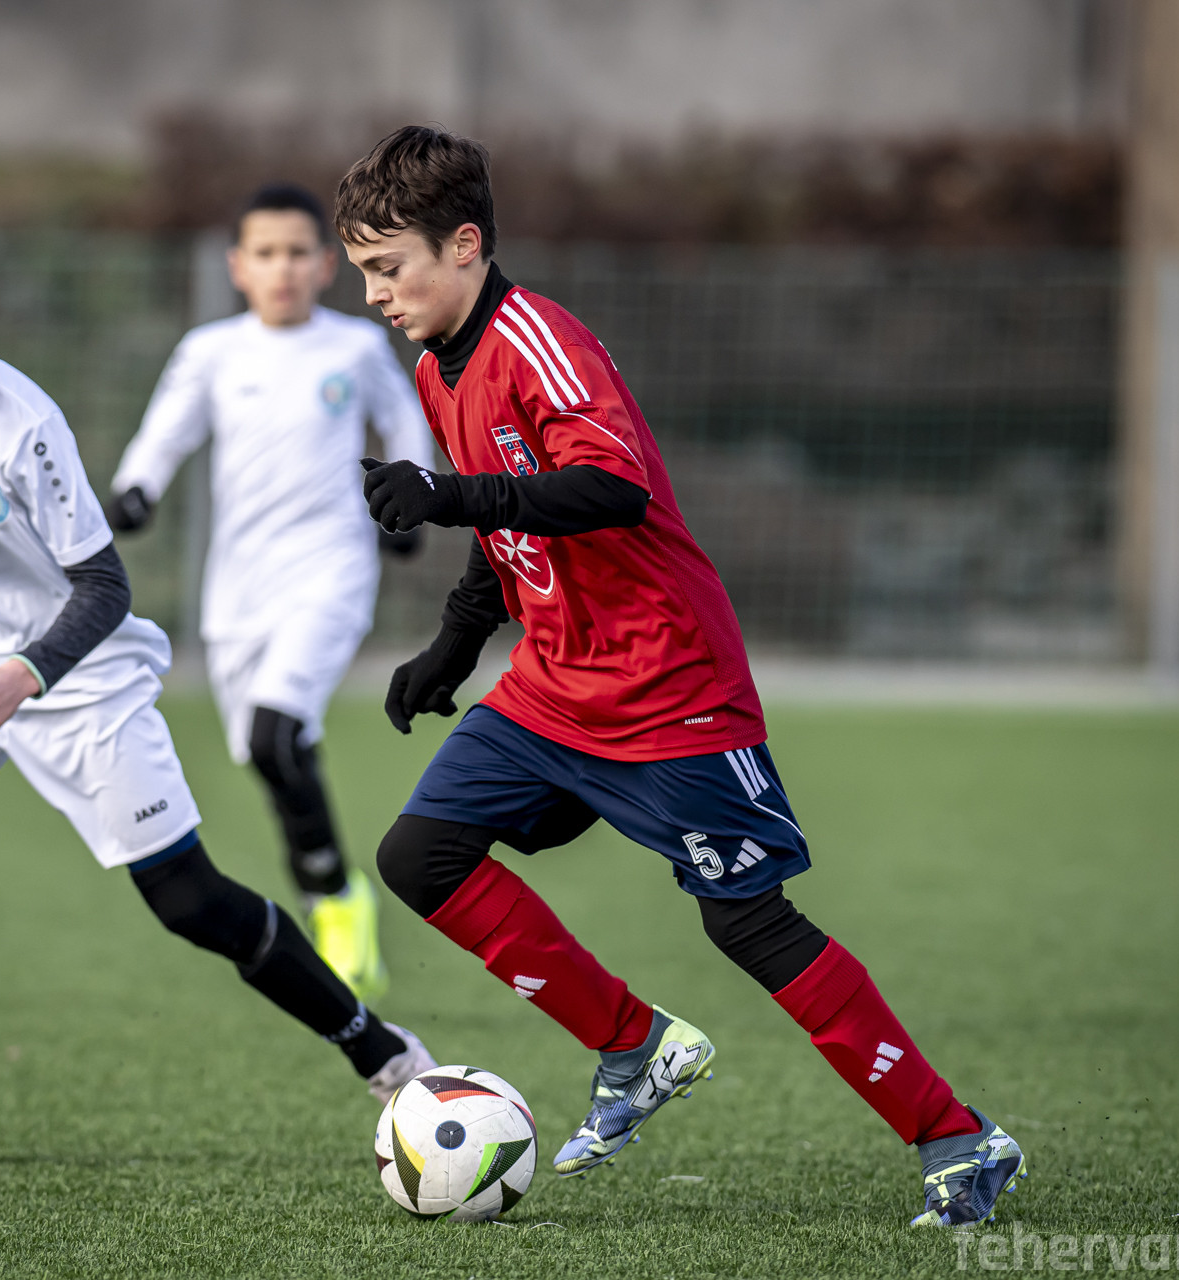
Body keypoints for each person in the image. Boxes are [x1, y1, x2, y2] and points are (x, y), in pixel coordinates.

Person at [334, 127, 1026, 1229]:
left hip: (669, 686)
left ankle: (958, 1135)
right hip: (554, 682)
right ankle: (634, 1044)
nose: (372, 293)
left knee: (748, 923)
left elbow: (609, 488)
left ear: (463, 244)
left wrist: (447, 495)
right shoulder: (435, 363)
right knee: (421, 855)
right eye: (363, 271)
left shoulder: (538, 339)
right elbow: (508, 514)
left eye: (387, 266)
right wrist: (455, 647)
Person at [0, 215, 433, 1168]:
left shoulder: (18, 421)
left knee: (188, 901)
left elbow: (103, 587)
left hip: (79, 676)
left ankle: (385, 1055)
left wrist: (25, 673)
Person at [106, 183, 432, 1002]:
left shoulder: (354, 347)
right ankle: (331, 884)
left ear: (324, 265)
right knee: (266, 749)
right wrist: (136, 489)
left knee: (277, 731)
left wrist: (410, 500)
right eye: (265, 253)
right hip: (238, 591)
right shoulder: (211, 351)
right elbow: (166, 430)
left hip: (330, 571)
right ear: (238, 267)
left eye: (297, 253)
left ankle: (337, 903)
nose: (282, 268)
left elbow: (405, 421)